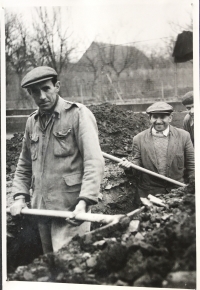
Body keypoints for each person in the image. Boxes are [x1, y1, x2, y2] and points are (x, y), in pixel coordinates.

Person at [10, 66, 104, 253]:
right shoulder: (32, 122)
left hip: (71, 210)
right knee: (50, 265)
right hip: (42, 210)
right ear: (30, 94)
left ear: (57, 86)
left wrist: (84, 202)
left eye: (46, 89)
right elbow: (24, 164)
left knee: (70, 265)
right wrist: (20, 197)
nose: (42, 96)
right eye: (35, 92)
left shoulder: (78, 114)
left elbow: (94, 161)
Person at [119, 101, 194, 202]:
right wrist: (128, 166)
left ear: (170, 118)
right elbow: (137, 165)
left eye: (163, 117)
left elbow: (191, 166)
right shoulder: (139, 139)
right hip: (150, 194)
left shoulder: (183, 136)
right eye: (155, 117)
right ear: (150, 118)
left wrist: (193, 188)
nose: (158, 121)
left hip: (177, 192)